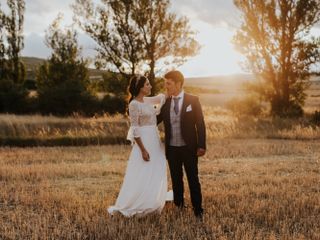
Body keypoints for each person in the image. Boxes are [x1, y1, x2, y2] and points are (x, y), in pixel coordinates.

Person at [107, 75, 170, 217]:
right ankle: (137, 204)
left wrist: (169, 90)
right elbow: (135, 129)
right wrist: (142, 149)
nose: (150, 86)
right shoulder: (134, 104)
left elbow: (161, 97)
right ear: (140, 87)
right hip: (144, 141)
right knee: (142, 171)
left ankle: (151, 203)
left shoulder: (147, 100)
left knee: (156, 169)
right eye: (147, 84)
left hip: (154, 139)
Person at [157, 70, 206, 219]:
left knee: (193, 178)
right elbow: (154, 120)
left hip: (189, 147)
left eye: (169, 84)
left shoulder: (193, 100)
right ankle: (179, 206)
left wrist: (202, 145)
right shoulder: (165, 102)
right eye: (165, 84)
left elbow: (200, 124)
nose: (166, 87)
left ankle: (198, 209)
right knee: (176, 179)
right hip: (172, 148)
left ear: (178, 84)